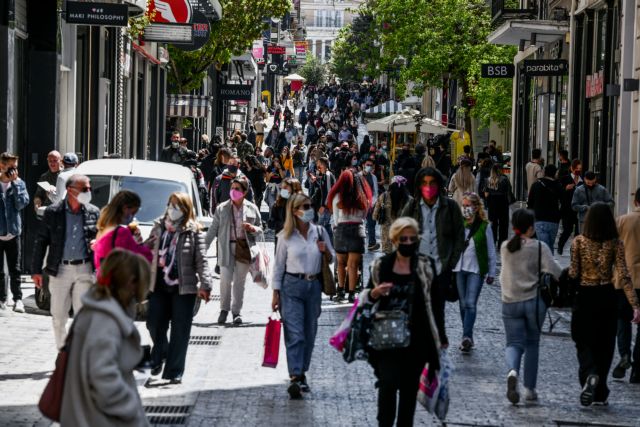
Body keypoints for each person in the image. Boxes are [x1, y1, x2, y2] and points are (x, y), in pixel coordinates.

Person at [361, 217, 441, 426]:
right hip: (386, 340)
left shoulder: (425, 265)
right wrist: (375, 293)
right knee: (387, 386)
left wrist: (440, 338)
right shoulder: (382, 265)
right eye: (403, 239)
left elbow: (435, 305)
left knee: (408, 397)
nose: (407, 243)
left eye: (412, 239)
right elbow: (366, 298)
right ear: (395, 240)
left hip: (416, 342)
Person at [60, 249, 150, 427]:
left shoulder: (96, 312)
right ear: (129, 283)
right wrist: (132, 413)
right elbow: (103, 376)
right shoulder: (106, 320)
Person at [569, 202, 640, 406]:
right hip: (607, 297)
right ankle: (600, 391)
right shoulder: (615, 243)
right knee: (604, 346)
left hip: (584, 297)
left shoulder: (579, 242)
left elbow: (573, 273)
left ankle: (589, 373)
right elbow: (624, 275)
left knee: (583, 341)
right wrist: (635, 304)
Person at [271, 193, 335, 399]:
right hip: (291, 287)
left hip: (313, 286)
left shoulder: (320, 232)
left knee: (309, 333)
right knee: (295, 333)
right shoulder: (285, 237)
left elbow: (332, 257)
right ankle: (295, 376)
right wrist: (275, 293)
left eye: (310, 205)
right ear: (294, 210)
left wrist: (325, 251)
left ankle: (302, 371)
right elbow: (278, 266)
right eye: (305, 206)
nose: (309, 209)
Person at [146, 192, 212, 383]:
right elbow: (147, 250)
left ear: (185, 209)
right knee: (154, 323)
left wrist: (206, 284)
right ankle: (161, 352)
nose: (172, 209)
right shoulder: (158, 227)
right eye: (170, 205)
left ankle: (174, 371)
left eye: (177, 206)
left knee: (180, 330)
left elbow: (202, 261)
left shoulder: (194, 232)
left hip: (184, 288)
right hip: (159, 285)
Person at [500, 209, 562, 404]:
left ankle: (512, 371)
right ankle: (529, 389)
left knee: (513, 343)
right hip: (534, 303)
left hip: (510, 301)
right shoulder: (539, 247)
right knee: (532, 343)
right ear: (531, 227)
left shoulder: (505, 247)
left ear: (513, 226)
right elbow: (556, 272)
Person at [31, 175, 100, 349]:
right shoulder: (53, 212)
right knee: (59, 315)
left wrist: (98, 244)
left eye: (89, 188)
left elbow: (102, 239)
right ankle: (63, 352)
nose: (89, 192)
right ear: (70, 190)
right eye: (85, 189)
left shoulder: (94, 212)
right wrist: (36, 271)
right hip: (60, 268)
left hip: (85, 268)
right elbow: (41, 241)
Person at [401, 167, 465, 347]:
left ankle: (439, 338)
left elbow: (460, 236)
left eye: (432, 183)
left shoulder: (450, 207)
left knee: (438, 306)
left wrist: (451, 261)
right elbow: (399, 231)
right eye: (425, 183)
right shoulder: (412, 207)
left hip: (440, 265)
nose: (428, 187)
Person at [206, 177, 262, 325]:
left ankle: (236, 312)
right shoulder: (221, 208)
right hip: (226, 247)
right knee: (225, 279)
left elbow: (261, 228)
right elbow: (212, 230)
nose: (233, 191)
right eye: (232, 188)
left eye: (237, 189)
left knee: (239, 282)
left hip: (244, 248)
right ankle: (224, 310)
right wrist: (202, 249)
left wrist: (253, 228)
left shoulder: (252, 208)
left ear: (244, 192)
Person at [453, 192, 496, 353]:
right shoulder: (458, 224)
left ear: (476, 207)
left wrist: (491, 273)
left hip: (476, 270)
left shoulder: (485, 226)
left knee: (470, 303)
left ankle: (466, 336)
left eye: (468, 206)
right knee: (463, 304)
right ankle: (468, 336)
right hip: (459, 268)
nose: (465, 209)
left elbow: (491, 251)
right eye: (463, 206)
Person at [327, 169, 372, 303]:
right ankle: (352, 294)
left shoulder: (337, 197)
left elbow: (335, 219)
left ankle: (340, 292)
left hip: (341, 230)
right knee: (353, 265)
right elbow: (364, 216)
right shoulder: (362, 198)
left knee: (341, 263)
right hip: (357, 230)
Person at [612, 188, 640, 382]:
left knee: (623, 320)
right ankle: (638, 367)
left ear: (635, 201)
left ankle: (624, 355)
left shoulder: (623, 220)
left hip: (624, 279)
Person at [93, 190, 153, 273]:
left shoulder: (103, 229)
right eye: (133, 212)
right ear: (125, 208)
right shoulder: (121, 233)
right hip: (119, 281)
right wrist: (145, 246)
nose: (133, 217)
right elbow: (138, 259)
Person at [0, 153, 29, 312]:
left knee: (15, 269)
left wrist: (16, 184)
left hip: (13, 232)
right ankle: (1, 299)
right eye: (11, 167)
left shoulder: (19, 183)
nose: (14, 171)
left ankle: (17, 299)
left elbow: (22, 204)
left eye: (16, 167)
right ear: (2, 166)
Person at [527, 164, 562, 254]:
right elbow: (564, 201)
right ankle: (549, 265)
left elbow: (530, 203)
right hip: (554, 220)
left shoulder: (536, 185)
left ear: (544, 172)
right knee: (549, 246)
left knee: (544, 248)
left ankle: (544, 266)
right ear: (554, 173)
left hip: (539, 219)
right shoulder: (558, 186)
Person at [373, 176, 413, 254]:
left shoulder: (383, 196)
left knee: (388, 257)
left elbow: (374, 216)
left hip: (387, 233)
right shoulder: (409, 199)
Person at [485, 163, 513, 249]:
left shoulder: (488, 180)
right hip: (503, 203)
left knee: (493, 223)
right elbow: (509, 190)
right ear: (500, 170)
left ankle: (492, 241)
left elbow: (486, 194)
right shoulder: (504, 179)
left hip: (492, 203)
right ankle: (502, 243)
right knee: (503, 224)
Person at [557, 159, 582, 255]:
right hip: (567, 209)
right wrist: (565, 188)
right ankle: (560, 244)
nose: (578, 170)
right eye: (576, 168)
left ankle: (574, 250)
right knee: (567, 230)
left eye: (580, 169)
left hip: (578, 210)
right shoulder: (565, 179)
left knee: (578, 231)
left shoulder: (582, 181)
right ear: (571, 168)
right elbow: (559, 193)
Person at [267, 178, 302, 244]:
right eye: (282, 187)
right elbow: (270, 223)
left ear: (294, 189)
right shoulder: (278, 203)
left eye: (286, 187)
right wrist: (282, 224)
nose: (283, 189)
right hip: (280, 241)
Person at [309, 157, 336, 242]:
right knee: (326, 227)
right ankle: (332, 246)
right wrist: (315, 181)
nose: (317, 165)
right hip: (325, 206)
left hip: (326, 207)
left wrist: (324, 206)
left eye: (319, 163)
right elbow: (322, 189)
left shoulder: (328, 175)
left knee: (320, 228)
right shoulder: (324, 175)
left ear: (323, 164)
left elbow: (329, 192)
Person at [362, 157, 380, 251]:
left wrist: (372, 203)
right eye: (367, 165)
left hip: (370, 205)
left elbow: (375, 192)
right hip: (360, 205)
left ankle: (372, 243)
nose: (368, 167)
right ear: (363, 165)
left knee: (371, 224)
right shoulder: (358, 176)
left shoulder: (373, 177)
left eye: (370, 165)